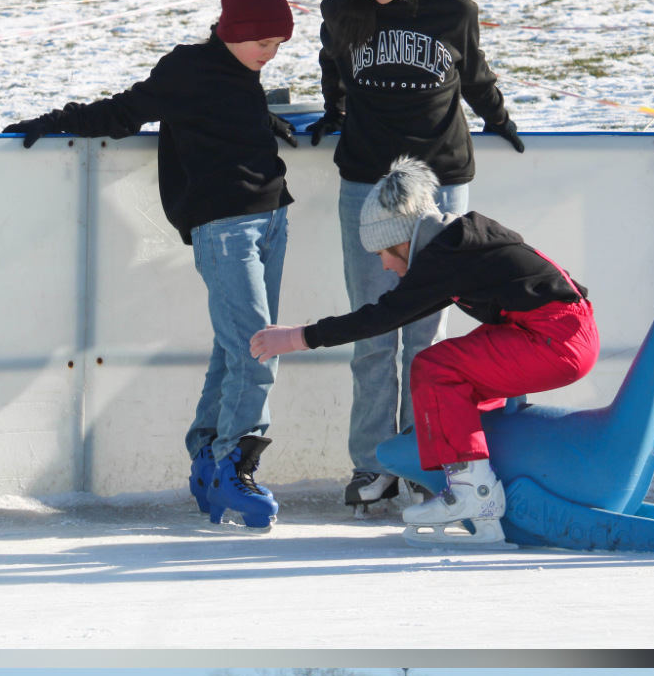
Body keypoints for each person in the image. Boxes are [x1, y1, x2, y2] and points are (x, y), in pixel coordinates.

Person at [3, 0, 301, 531]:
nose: (270, 54)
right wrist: (57, 120)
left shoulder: (244, 73)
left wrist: (264, 118)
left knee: (236, 349)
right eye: (263, 42)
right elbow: (124, 112)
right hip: (224, 228)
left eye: (278, 45)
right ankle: (236, 465)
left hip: (272, 219)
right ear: (234, 30)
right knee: (260, 349)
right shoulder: (186, 68)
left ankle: (208, 456)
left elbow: (225, 112)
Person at [249, 159, 598, 546]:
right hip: (563, 329)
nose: (384, 265)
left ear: (401, 238)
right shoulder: (456, 240)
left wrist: (300, 337)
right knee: (458, 375)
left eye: (381, 253)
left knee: (435, 367)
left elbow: (382, 316)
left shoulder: (445, 256)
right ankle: (484, 469)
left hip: (556, 339)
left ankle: (472, 490)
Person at [308, 0, 524, 514]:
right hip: (366, 183)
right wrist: (332, 112)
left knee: (428, 337)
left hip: (440, 184)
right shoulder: (341, 8)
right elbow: (332, 68)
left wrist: (500, 120)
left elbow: (475, 75)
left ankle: (424, 459)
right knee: (373, 330)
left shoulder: (451, 8)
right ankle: (373, 463)